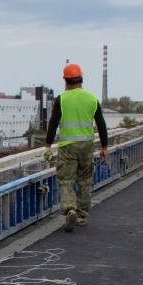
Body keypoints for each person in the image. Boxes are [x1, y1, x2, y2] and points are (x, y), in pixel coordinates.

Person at [44, 63, 109, 232]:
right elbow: (101, 125)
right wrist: (104, 147)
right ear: (81, 79)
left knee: (65, 180)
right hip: (87, 146)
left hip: (67, 147)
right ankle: (81, 215)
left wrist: (47, 146)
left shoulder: (62, 99)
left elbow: (53, 123)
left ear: (66, 81)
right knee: (84, 181)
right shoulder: (92, 99)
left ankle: (69, 209)